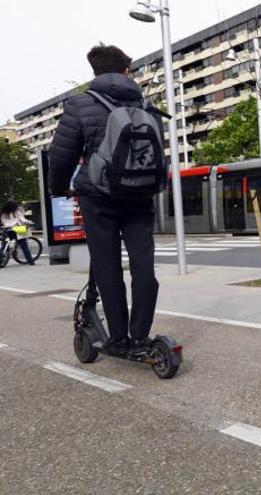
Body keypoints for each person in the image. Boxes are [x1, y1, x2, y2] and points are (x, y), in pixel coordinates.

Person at [48, 44, 160, 356]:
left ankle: (118, 339)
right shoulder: (145, 104)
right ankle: (141, 336)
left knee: (107, 266)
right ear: (127, 71)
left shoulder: (80, 103)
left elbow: (61, 155)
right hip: (140, 195)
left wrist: (58, 189)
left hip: (98, 197)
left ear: (95, 72)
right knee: (143, 267)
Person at [1, 200, 35, 265]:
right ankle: (31, 261)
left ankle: (2, 261)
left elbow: (3, 222)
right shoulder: (16, 212)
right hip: (17, 230)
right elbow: (23, 220)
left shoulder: (3, 213)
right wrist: (30, 222)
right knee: (24, 246)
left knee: (4, 245)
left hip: (7, 230)